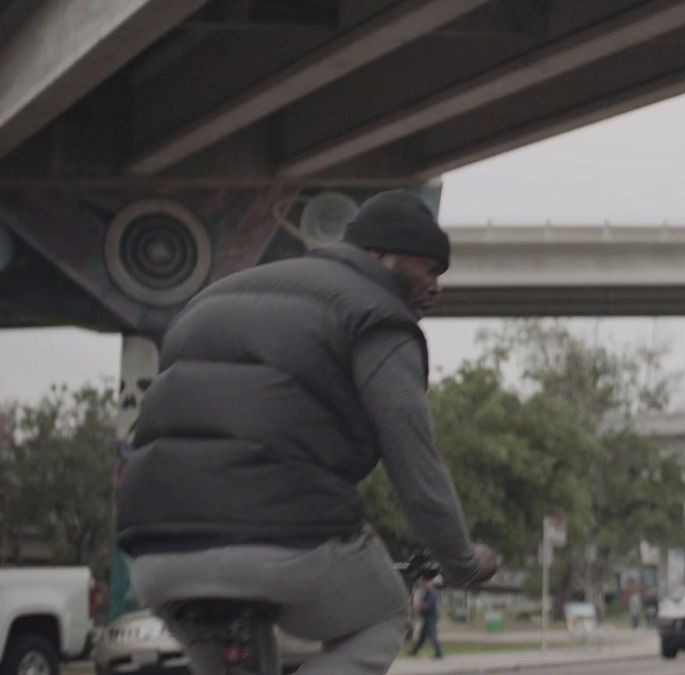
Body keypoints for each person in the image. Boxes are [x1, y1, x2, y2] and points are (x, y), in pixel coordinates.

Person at [115, 190, 499, 674]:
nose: (436, 286)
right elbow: (414, 463)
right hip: (283, 540)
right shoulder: (377, 318)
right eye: (431, 269)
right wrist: (462, 561)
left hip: (157, 555)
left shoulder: (208, 300)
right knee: (382, 614)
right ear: (384, 254)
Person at [410, 576, 443, 659]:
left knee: (432, 635)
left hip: (431, 618)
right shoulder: (427, 593)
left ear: (431, 584)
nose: (425, 585)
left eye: (426, 583)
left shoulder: (432, 593)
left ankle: (439, 653)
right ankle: (414, 652)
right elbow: (423, 605)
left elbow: (426, 606)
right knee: (422, 637)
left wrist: (417, 607)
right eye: (424, 583)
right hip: (426, 617)